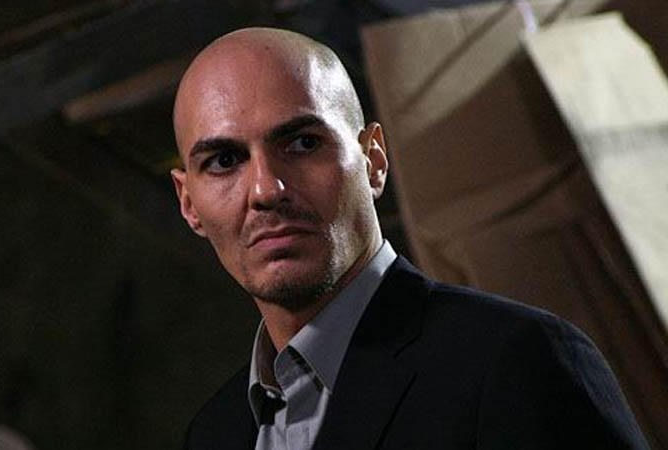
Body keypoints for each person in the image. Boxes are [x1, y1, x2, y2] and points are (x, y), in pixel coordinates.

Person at [170, 27, 649, 450]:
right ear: (189, 202)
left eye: (302, 143)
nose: (265, 190)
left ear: (374, 160)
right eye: (224, 161)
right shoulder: (215, 433)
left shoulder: (516, 362)